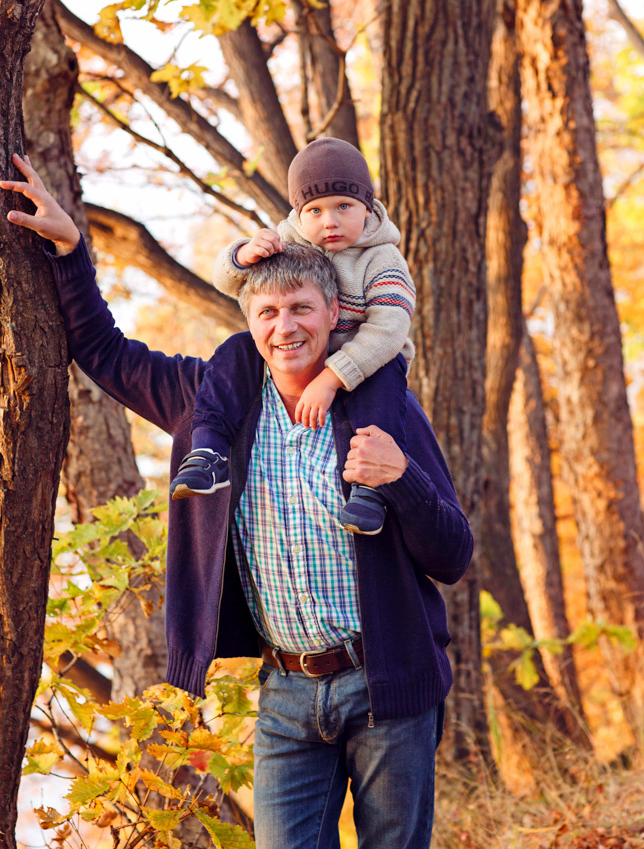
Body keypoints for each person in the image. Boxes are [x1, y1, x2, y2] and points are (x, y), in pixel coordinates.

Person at [3, 153, 473, 849]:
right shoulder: (211, 402)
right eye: (268, 312)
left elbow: (454, 556)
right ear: (249, 320)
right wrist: (70, 249)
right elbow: (105, 352)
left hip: (390, 684)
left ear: (334, 313)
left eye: (301, 309)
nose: (286, 327)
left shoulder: (387, 409)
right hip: (286, 695)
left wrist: (401, 477)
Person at [170, 137, 416, 538]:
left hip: (370, 358)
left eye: (344, 207)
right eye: (315, 210)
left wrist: (331, 378)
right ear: (299, 214)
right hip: (310, 356)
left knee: (383, 392)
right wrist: (243, 254)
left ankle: (369, 491)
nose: (329, 222)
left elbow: (389, 329)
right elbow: (227, 282)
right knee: (236, 349)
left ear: (368, 207)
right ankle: (209, 451)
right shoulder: (291, 239)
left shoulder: (382, 258)